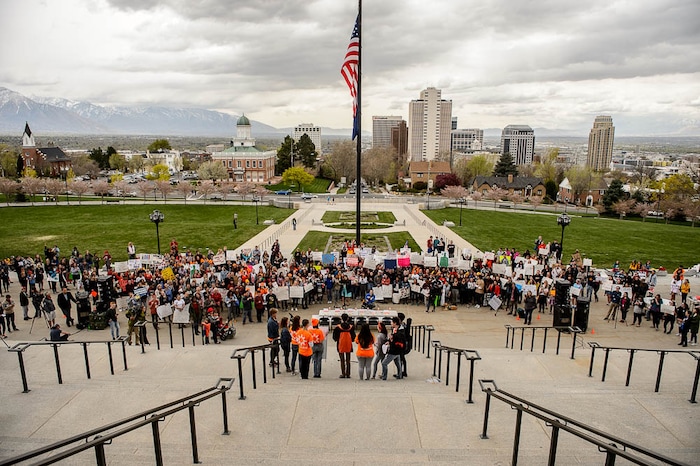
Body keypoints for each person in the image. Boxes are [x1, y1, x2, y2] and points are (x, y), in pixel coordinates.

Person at [332, 313, 355, 378]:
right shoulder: (351, 327)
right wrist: (352, 340)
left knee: (342, 359)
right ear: (347, 318)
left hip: (340, 343)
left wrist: (336, 339)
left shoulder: (338, 327)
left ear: (341, 318)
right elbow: (353, 336)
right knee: (348, 359)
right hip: (348, 343)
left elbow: (335, 336)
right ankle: (348, 373)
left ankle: (343, 373)